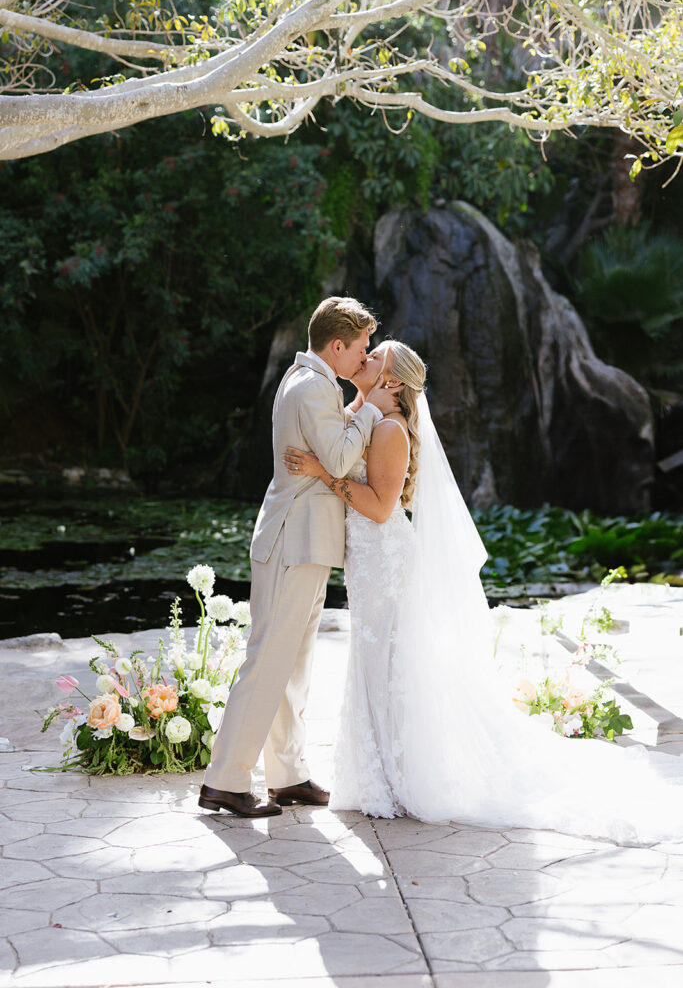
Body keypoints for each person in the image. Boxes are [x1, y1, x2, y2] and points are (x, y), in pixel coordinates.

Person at [284, 339, 683, 844]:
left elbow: (382, 508)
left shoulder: (388, 429)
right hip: (367, 563)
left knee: (390, 662)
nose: (362, 361)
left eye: (373, 358)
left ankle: (405, 774)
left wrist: (323, 473)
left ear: (391, 382)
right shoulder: (362, 412)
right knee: (374, 661)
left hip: (386, 561)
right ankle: (378, 772)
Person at [199, 297, 400, 817]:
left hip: (302, 540)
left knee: (292, 664)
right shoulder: (313, 387)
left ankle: (286, 776)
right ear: (337, 345)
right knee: (269, 660)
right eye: (361, 348)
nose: (365, 357)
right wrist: (374, 407)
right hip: (295, 541)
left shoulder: (311, 381)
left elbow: (329, 454)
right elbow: (336, 458)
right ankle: (226, 780)